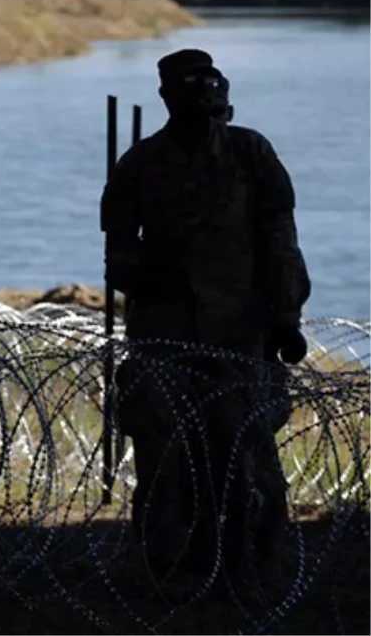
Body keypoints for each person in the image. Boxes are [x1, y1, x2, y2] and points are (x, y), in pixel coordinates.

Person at [100, 49, 311, 592]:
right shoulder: (140, 164)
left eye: (209, 91)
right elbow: (118, 253)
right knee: (165, 462)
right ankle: (169, 572)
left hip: (240, 334)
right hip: (163, 336)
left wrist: (286, 316)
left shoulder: (249, 153)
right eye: (189, 91)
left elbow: (279, 238)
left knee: (249, 460)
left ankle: (254, 573)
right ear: (168, 96)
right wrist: (148, 277)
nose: (203, 103)